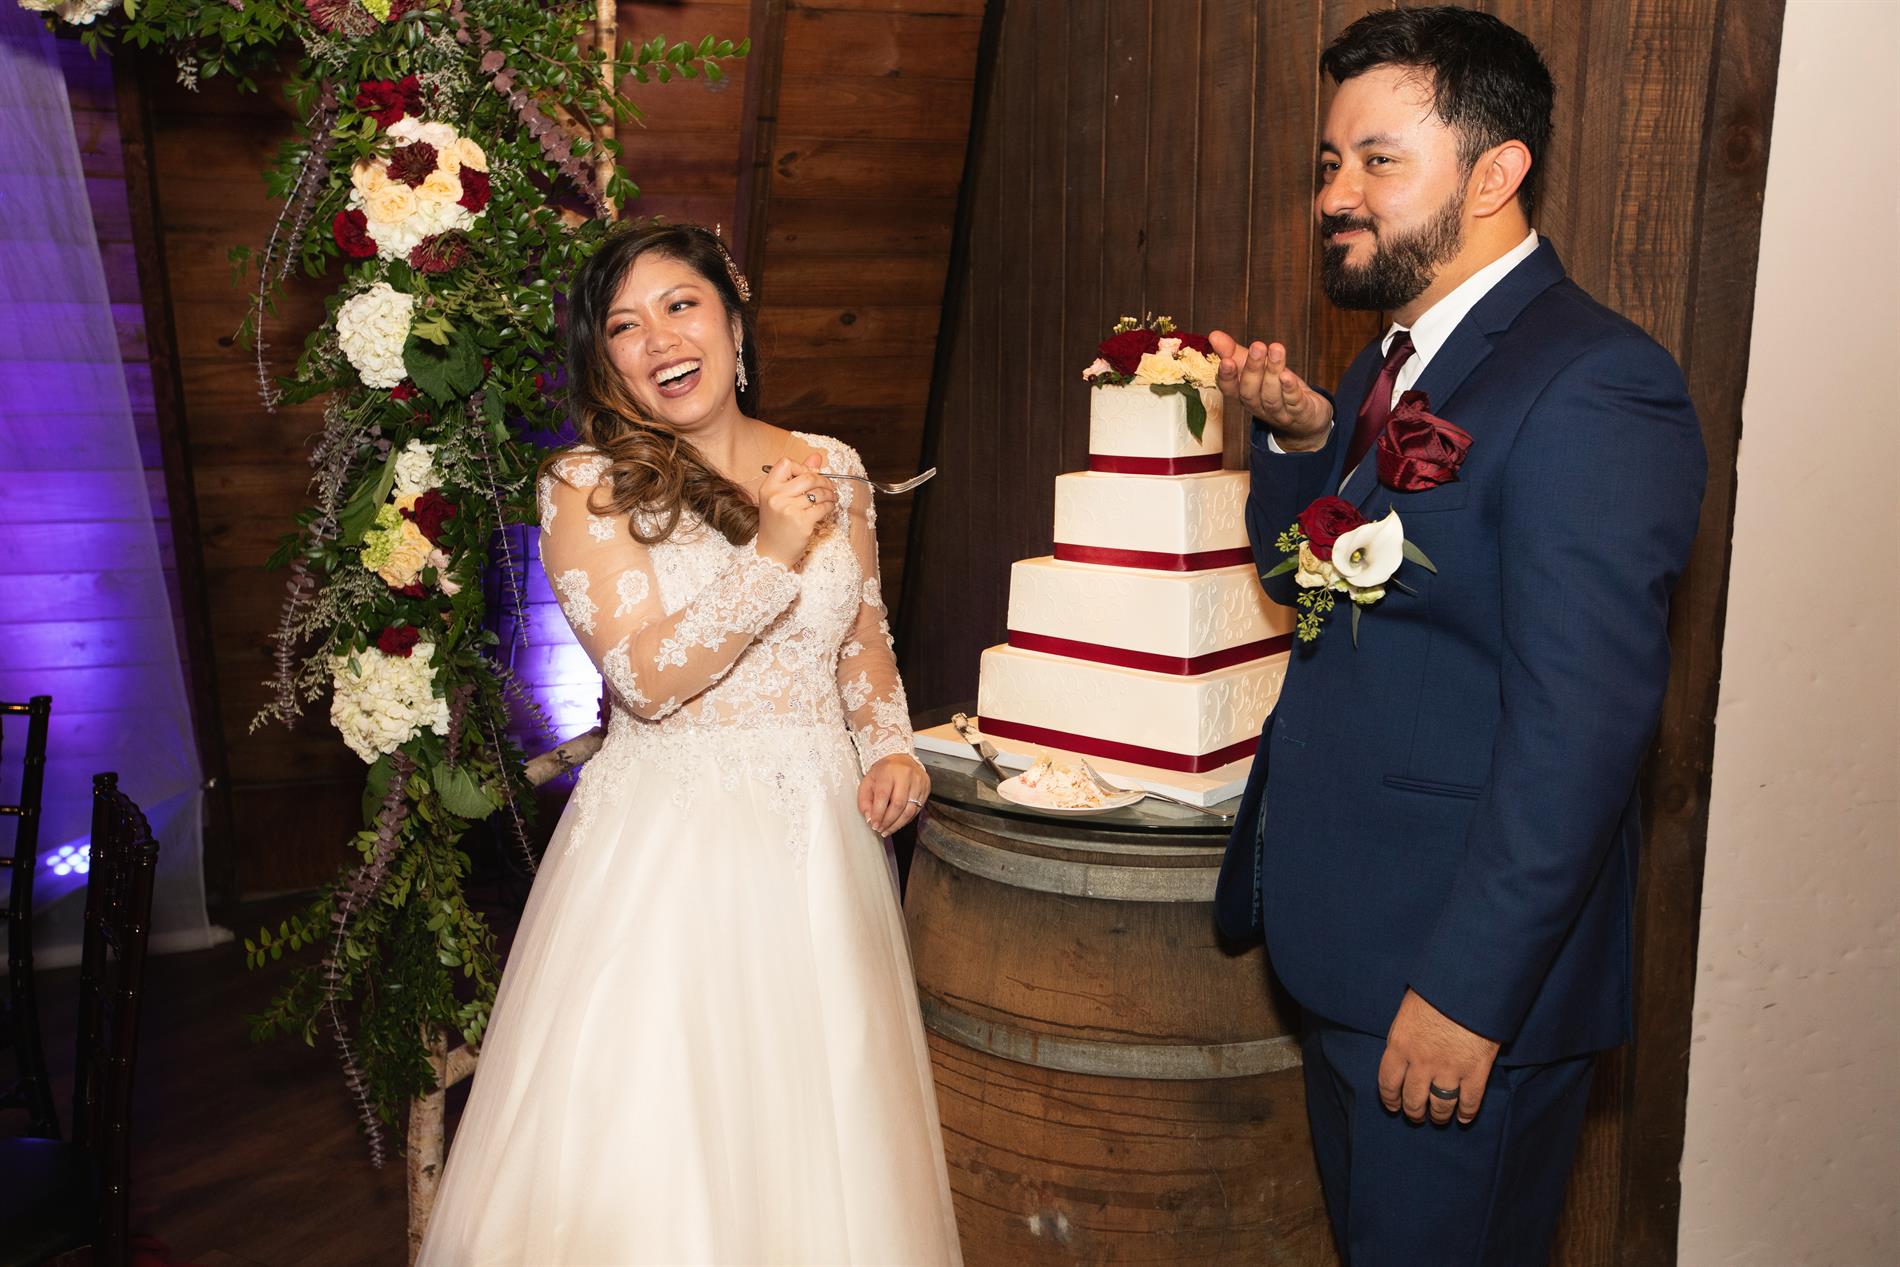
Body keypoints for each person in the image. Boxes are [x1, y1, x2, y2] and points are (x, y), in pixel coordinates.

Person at [1209, 8, 1705, 1263]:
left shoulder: (1593, 384)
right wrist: (1297, 443)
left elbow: (1579, 731)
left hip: (1452, 983)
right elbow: (1311, 587)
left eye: (1379, 161)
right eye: (1330, 161)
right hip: (1347, 949)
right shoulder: (1390, 367)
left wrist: (1467, 994)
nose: (1336, 194)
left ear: (1494, 173)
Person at [419, 222, 962, 1264]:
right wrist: (770, 552)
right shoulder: (586, 486)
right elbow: (645, 679)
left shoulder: (834, 468)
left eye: (680, 305)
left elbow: (861, 643)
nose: (660, 337)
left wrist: (891, 747)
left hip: (821, 848)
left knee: (828, 1144)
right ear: (606, 360)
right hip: (669, 859)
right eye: (626, 325)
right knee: (664, 1151)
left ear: (732, 319)